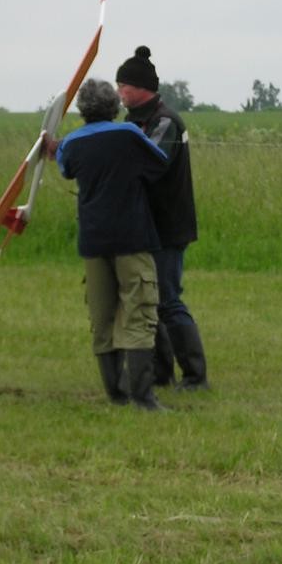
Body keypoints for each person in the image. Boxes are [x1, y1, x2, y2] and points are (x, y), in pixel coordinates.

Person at [52, 78, 170, 411]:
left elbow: (65, 168)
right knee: (140, 311)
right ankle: (143, 397)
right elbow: (159, 162)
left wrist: (55, 146)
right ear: (114, 106)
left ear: (83, 110)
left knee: (101, 316)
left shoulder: (71, 143)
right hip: (132, 236)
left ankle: (116, 394)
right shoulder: (128, 134)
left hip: (93, 240)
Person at [115, 46, 210, 390]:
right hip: (144, 225)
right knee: (148, 300)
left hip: (168, 226)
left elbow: (149, 162)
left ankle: (195, 376)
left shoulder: (166, 122)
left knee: (168, 300)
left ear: (140, 87)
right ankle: (160, 373)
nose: (119, 92)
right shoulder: (132, 122)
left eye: (123, 85)